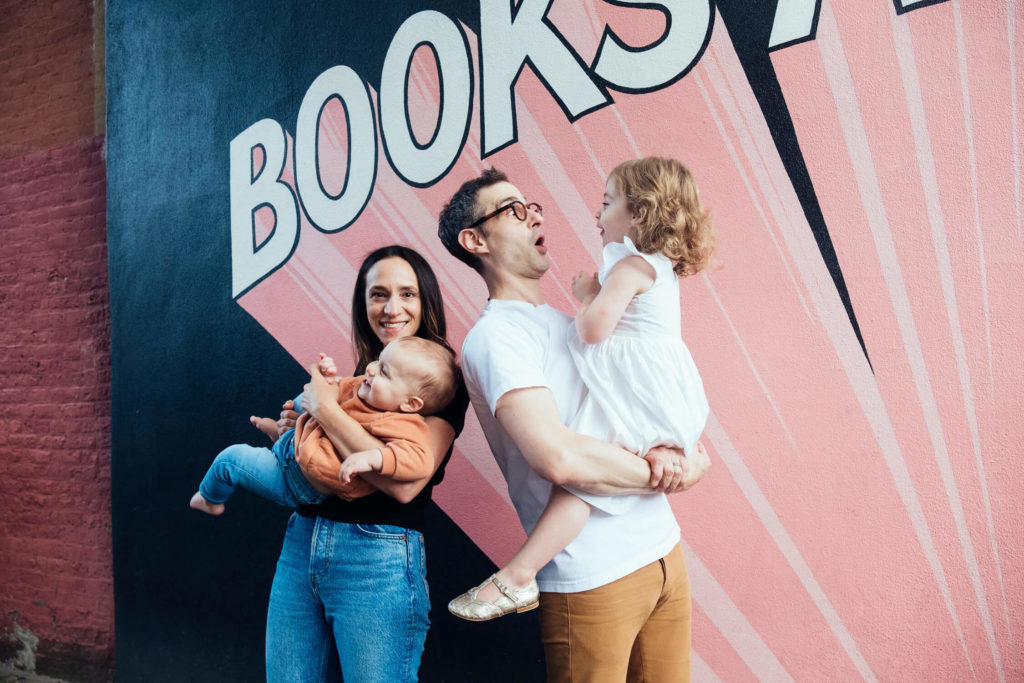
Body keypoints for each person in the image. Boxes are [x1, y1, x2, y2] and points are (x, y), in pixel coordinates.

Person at [436, 167, 711, 682]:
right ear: (474, 240)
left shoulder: (569, 323)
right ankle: (515, 577)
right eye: (513, 209)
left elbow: (641, 407)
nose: (535, 213)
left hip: (662, 553)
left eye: (532, 204)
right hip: (592, 577)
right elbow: (558, 457)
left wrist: (681, 454)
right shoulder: (497, 339)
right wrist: (672, 472)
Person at [259, 245, 469, 683]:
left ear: (425, 301)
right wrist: (299, 432)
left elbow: (406, 482)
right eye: (378, 294)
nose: (392, 307)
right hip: (302, 542)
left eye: (407, 294)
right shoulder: (365, 375)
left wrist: (326, 411)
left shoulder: (439, 381)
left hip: (377, 557)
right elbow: (334, 452)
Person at [188, 336, 458, 515]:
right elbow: (330, 393)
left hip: (296, 481)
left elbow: (418, 462)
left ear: (410, 404)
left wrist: (374, 457)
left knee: (230, 459)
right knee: (304, 397)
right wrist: (329, 377)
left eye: (385, 372)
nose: (372, 369)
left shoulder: (406, 426)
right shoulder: (364, 387)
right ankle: (280, 435)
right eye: (379, 360)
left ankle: (210, 499)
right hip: (305, 444)